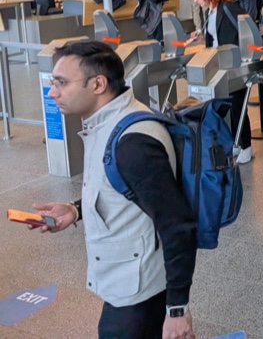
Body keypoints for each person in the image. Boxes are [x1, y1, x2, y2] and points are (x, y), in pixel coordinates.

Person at [30, 42, 197, 339]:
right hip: (125, 283)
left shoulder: (133, 142)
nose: (52, 92)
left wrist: (177, 310)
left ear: (98, 84)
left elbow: (177, 225)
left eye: (61, 83)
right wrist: (75, 209)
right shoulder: (108, 123)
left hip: (139, 295)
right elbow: (125, 188)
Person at [187, 0, 253, 164]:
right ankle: (235, 143)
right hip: (218, 64)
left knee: (238, 106)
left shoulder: (228, 7)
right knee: (227, 105)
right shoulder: (211, 12)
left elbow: (246, 29)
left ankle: (246, 145)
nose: (195, 0)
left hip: (232, 63)